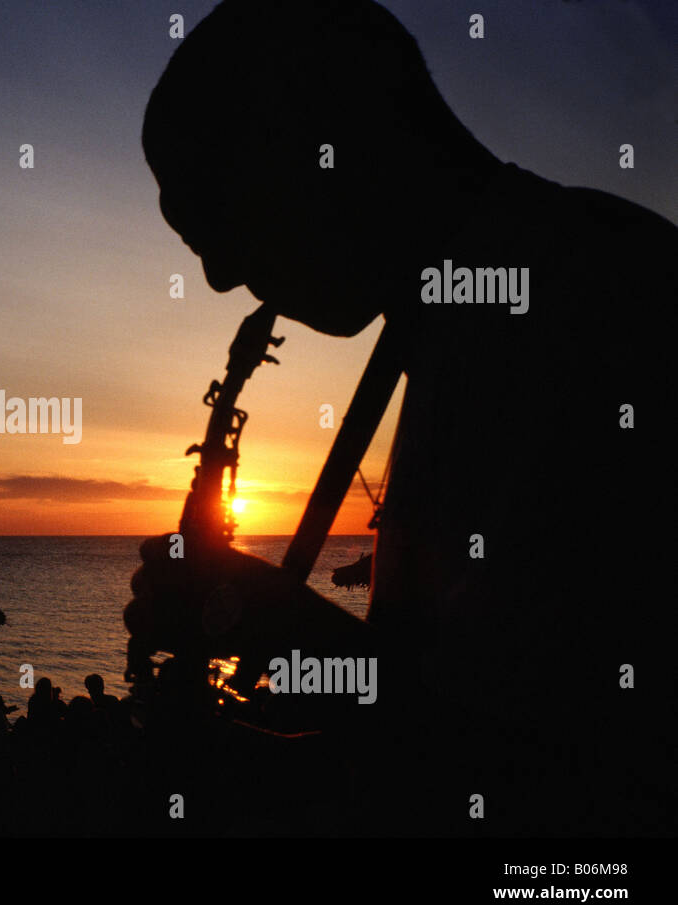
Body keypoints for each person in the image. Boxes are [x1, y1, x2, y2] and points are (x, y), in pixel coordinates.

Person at [131, 0, 677, 837]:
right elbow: (448, 733)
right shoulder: (455, 321)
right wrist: (259, 765)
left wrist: (288, 631)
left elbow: (588, 781)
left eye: (220, 213)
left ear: (320, 133)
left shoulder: (604, 295)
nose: (219, 274)